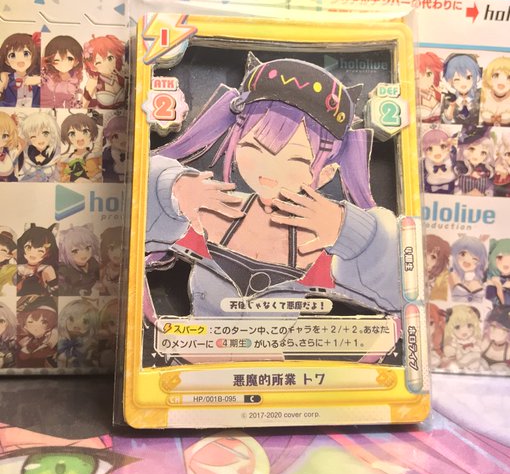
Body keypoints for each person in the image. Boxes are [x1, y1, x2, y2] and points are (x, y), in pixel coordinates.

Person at [145, 57, 402, 360]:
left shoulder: (319, 244)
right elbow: (137, 213)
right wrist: (172, 189)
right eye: (253, 147)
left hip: (273, 375)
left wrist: (352, 231)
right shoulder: (213, 210)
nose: (268, 170)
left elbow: (403, 289)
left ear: (326, 174)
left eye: (295, 159)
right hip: (189, 365)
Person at [41, 35, 84, 109]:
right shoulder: (44, 74)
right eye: (56, 60)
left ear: (77, 61)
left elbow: (73, 106)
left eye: (69, 59)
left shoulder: (74, 80)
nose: (63, 63)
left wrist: (79, 99)